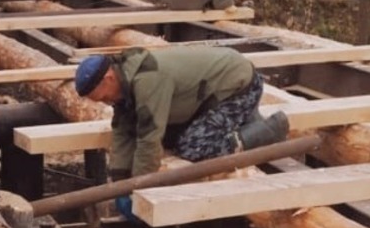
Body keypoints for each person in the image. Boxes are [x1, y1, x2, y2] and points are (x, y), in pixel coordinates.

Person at [75, 46, 289, 181]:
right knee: (171, 140)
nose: (107, 102)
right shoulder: (124, 81)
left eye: (103, 97)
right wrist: (119, 179)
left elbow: (149, 138)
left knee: (192, 146)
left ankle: (269, 130)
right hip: (212, 90)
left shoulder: (147, 81)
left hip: (238, 88)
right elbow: (123, 130)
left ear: (109, 78)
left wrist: (138, 186)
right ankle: (245, 122)